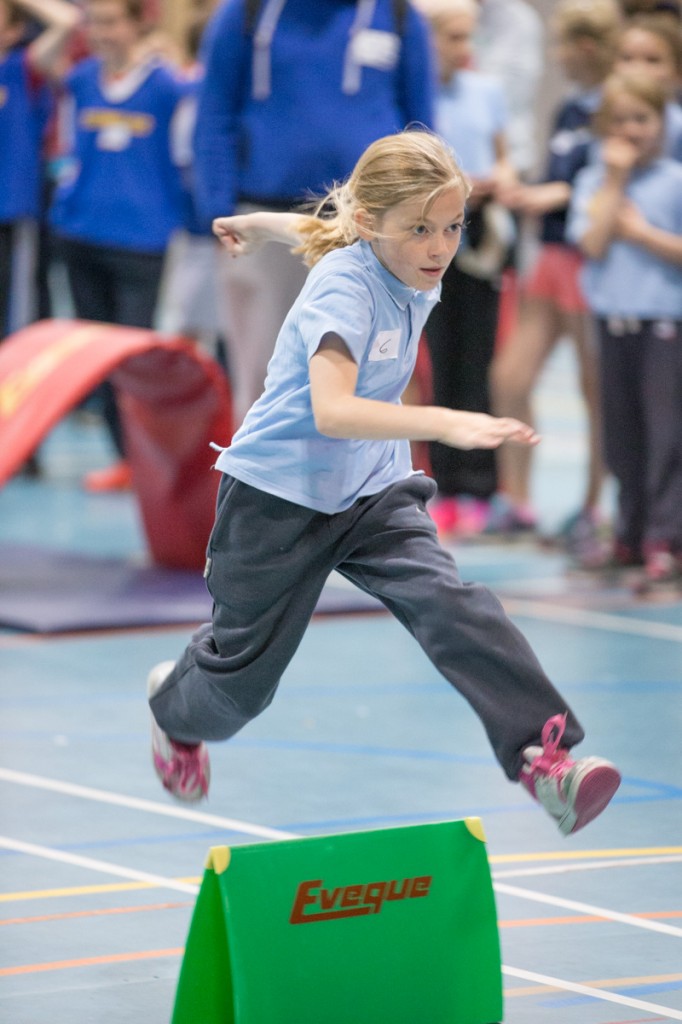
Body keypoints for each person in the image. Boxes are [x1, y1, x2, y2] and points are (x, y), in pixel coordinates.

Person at [147, 130, 621, 837]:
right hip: (279, 495)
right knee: (239, 685)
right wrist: (447, 424)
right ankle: (173, 708)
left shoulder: (394, 253)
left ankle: (542, 758)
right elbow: (334, 411)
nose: (440, 247)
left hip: (372, 489)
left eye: (453, 226)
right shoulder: (345, 287)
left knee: (453, 605)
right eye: (422, 230)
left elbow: (320, 227)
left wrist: (256, 224)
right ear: (375, 226)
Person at [192, 0, 435, 427]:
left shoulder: (397, 14)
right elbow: (215, 113)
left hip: (373, 227)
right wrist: (217, 211)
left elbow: (422, 127)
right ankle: (258, 491)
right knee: (262, 379)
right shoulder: (245, 13)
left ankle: (359, 493)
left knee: (371, 380)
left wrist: (423, 222)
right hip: (262, 221)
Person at [488, 0, 622, 560]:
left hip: (592, 264)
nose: (557, 57)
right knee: (510, 375)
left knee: (597, 392)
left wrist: (553, 195)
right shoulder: (569, 108)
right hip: (549, 258)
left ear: (584, 47)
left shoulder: (617, 106)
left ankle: (594, 506)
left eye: (562, 46)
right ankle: (516, 498)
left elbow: (603, 179)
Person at [42, 0, 190, 491]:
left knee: (135, 359)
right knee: (97, 358)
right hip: (81, 232)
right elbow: (44, 61)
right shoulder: (83, 78)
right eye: (94, 24)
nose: (101, 33)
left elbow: (206, 95)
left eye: (110, 23)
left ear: (137, 23)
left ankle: (151, 459)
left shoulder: (165, 83)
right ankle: (125, 458)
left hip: (142, 240)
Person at [566, 73, 682, 582]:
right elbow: (590, 244)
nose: (631, 130)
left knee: (666, 435)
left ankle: (667, 536)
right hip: (612, 323)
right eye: (620, 120)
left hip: (665, 324)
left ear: (663, 123)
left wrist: (639, 233)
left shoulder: (675, 181)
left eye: (642, 118)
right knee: (621, 436)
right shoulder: (594, 182)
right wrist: (613, 183)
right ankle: (629, 532)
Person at [415, 0, 517, 537]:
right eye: (452, 38)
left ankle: (479, 485)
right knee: (439, 363)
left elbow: (503, 158)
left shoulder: (486, 91)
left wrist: (496, 179)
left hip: (479, 239)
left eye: (467, 37)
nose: (463, 49)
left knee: (477, 363)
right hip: (429, 237)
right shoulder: (415, 94)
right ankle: (444, 482)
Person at [0, 0, 79, 340]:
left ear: (13, 30)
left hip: (12, 212)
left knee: (16, 309)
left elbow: (69, 19)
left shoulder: (23, 68)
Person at [614, 11, 682, 159]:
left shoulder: (678, 129)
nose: (638, 70)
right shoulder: (604, 121)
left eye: (652, 60)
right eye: (627, 58)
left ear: (677, 71)